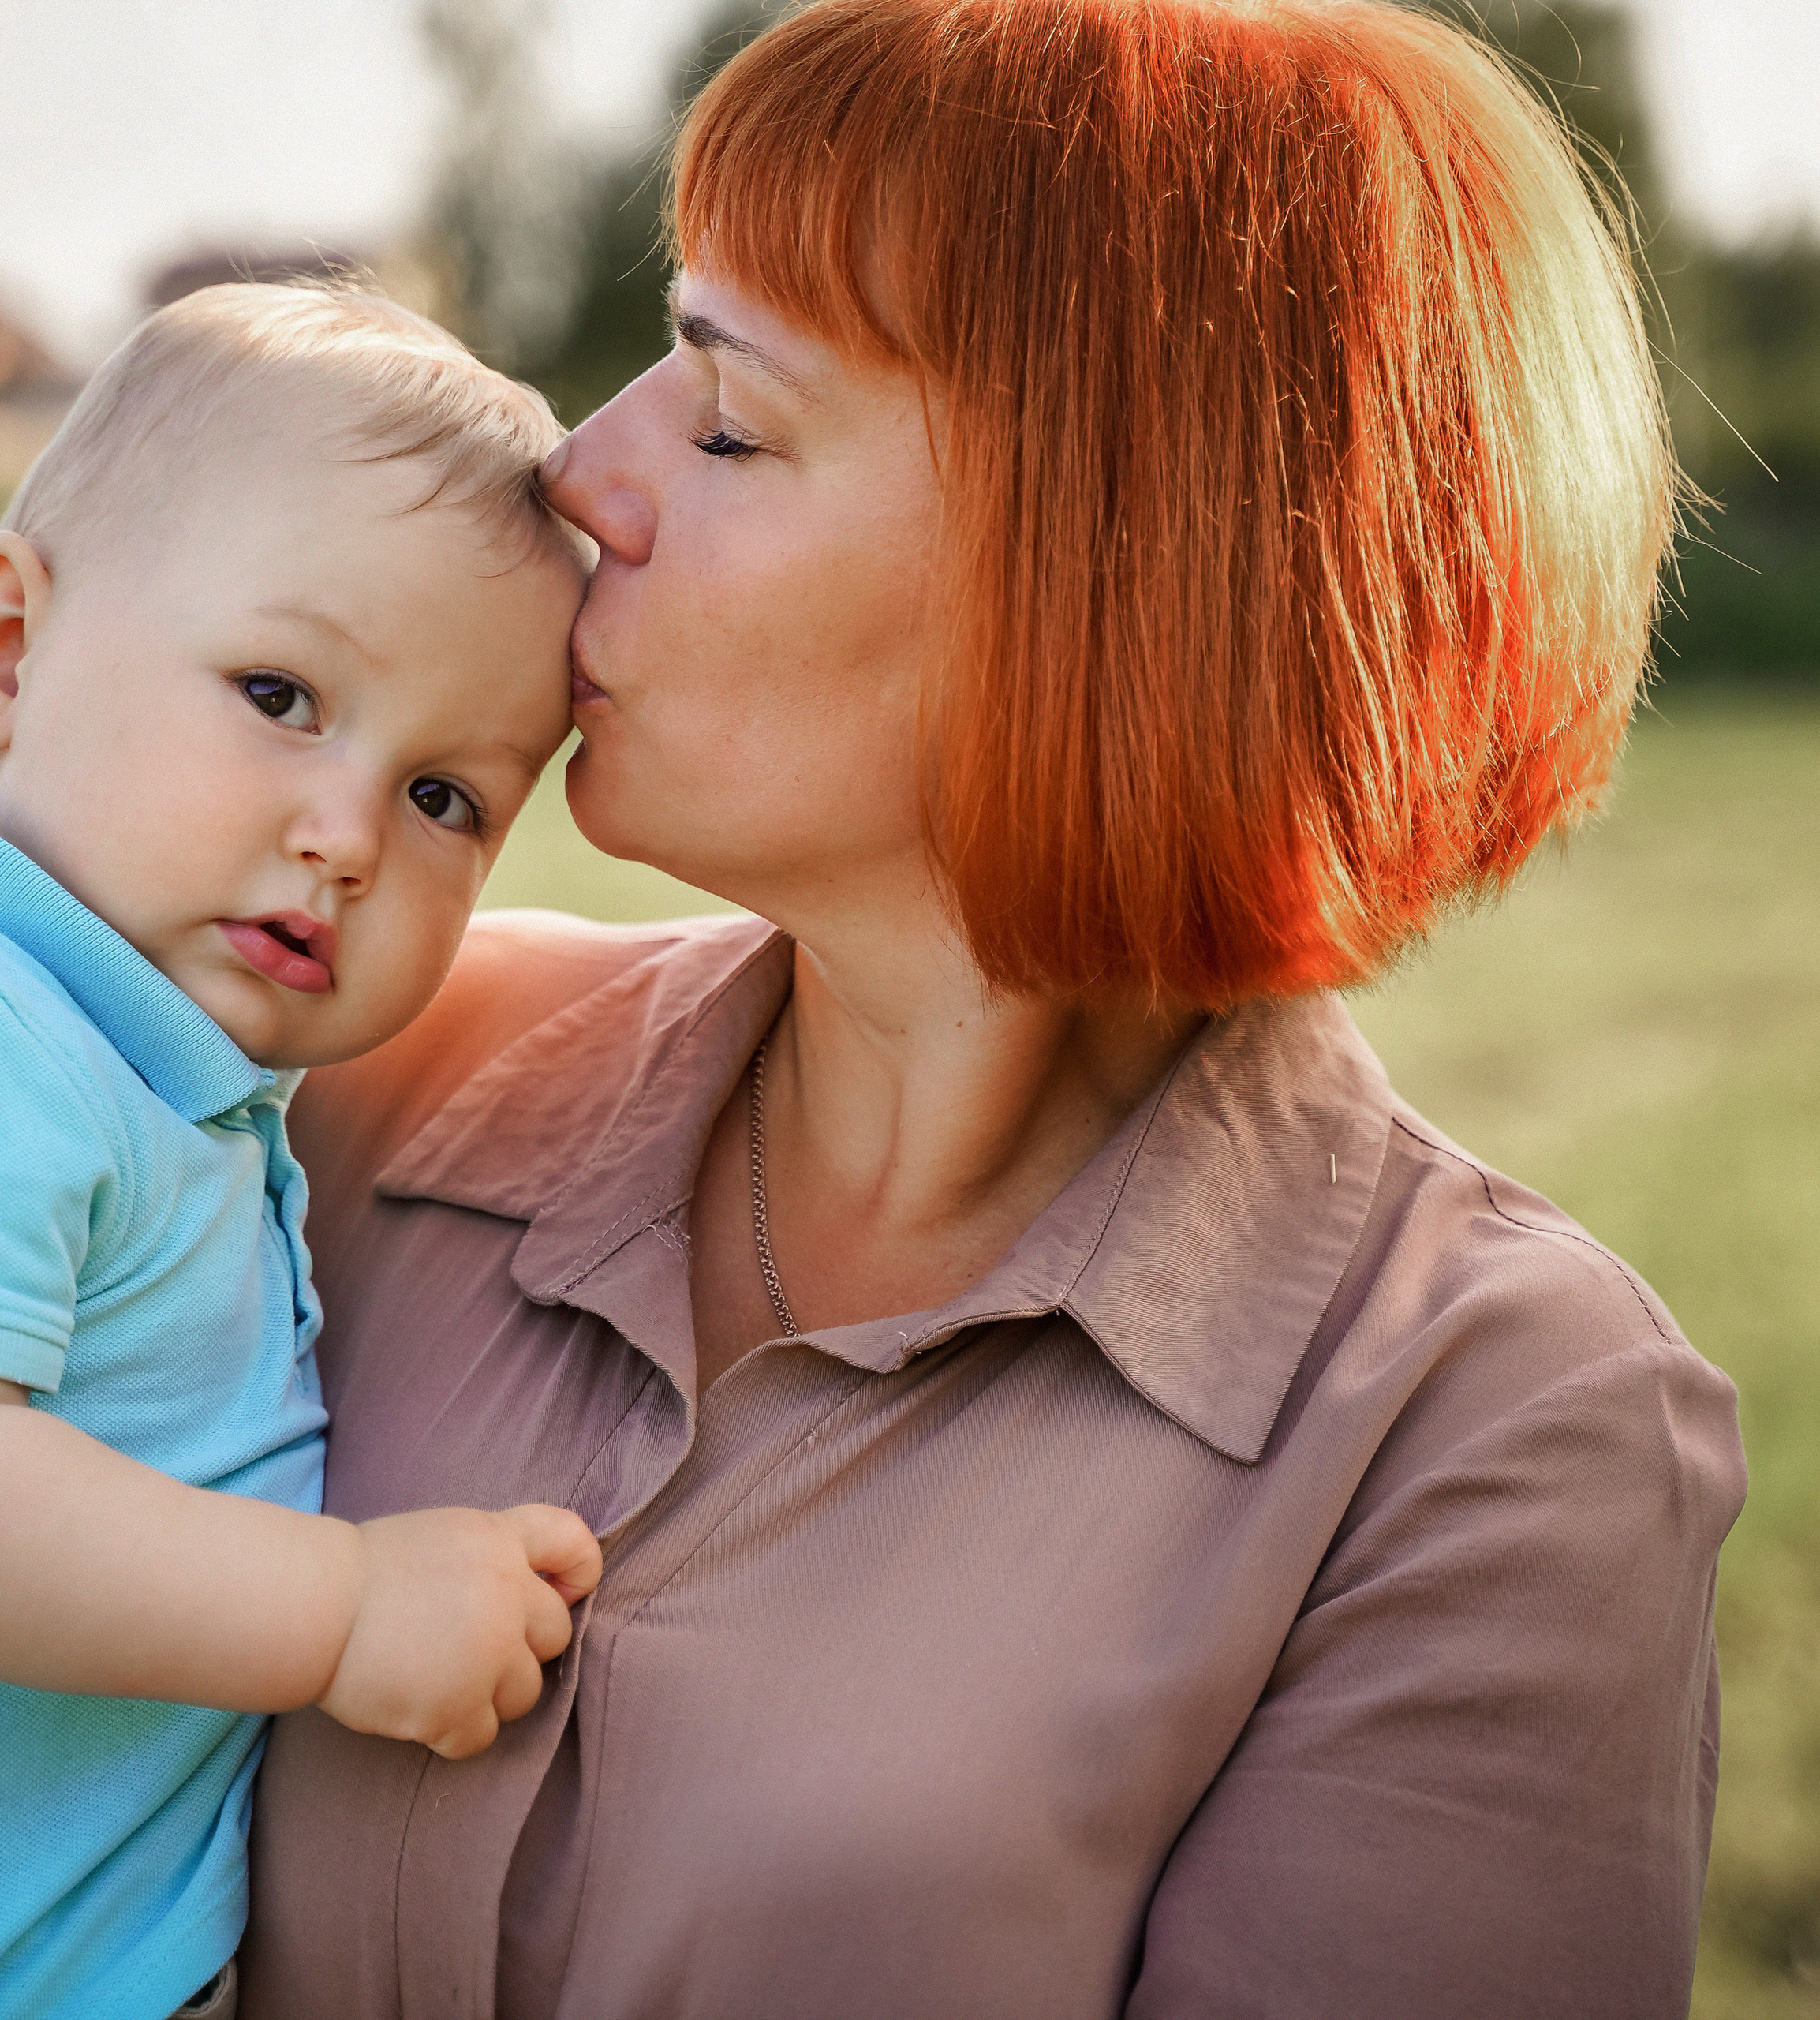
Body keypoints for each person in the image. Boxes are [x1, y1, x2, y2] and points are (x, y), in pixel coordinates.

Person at [241, 2, 1747, 2014]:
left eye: (721, 415)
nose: (570, 470)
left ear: (1109, 576)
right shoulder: (345, 1084)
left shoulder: (1485, 1440)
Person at [0, 283, 604, 2020]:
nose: (346, 840)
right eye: (278, 691)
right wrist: (337, 1607)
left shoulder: (136, 1054)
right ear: (3, 653)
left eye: (445, 796)